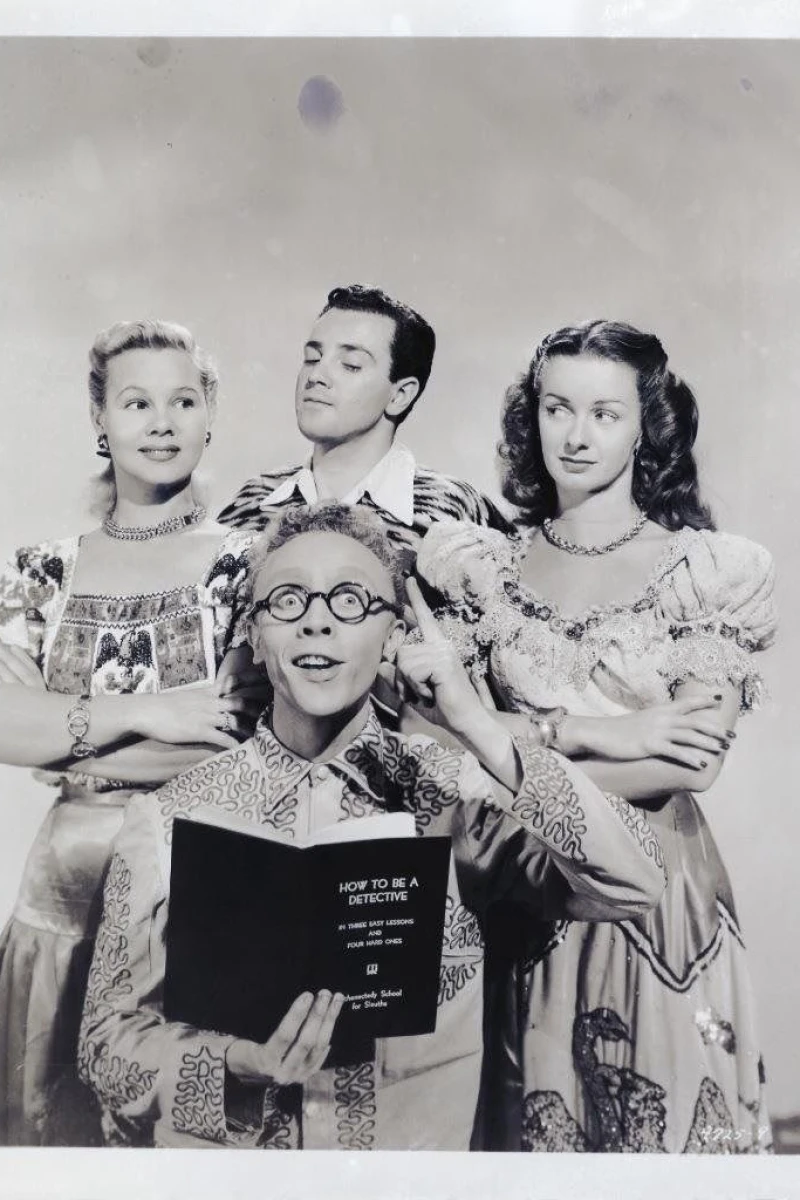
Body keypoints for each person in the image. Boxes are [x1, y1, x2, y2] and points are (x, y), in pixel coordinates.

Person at [77, 503, 666, 1151]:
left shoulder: (454, 796)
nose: (318, 621)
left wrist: (478, 728)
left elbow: (634, 882)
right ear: (253, 634)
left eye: (351, 600)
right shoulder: (169, 819)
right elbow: (105, 1048)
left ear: (394, 637)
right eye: (288, 600)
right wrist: (238, 1063)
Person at [416, 319, 777, 1153]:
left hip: (653, 896)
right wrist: (617, 733)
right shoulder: (482, 566)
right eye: (557, 409)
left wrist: (509, 748)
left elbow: (690, 762)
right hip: (515, 886)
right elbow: (437, 738)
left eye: (604, 414)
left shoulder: (705, 570)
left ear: (647, 425)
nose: (575, 436)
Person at [0, 320, 262, 1146]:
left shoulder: (246, 565)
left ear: (209, 416)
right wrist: (152, 712)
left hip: (197, 883)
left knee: (178, 1137)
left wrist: (63, 735)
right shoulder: (42, 571)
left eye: (183, 401)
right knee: (50, 1139)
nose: (161, 423)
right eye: (137, 402)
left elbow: (237, 735)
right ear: (100, 419)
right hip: (63, 895)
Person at [217, 284, 512, 571]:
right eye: (312, 358)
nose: (316, 375)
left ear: (400, 395)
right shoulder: (255, 501)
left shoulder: (453, 510)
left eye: (351, 364)